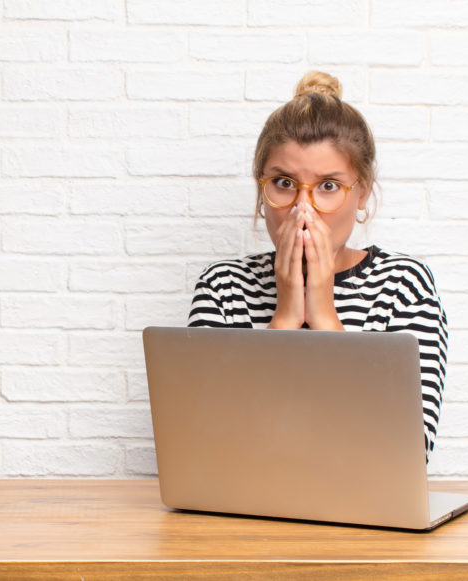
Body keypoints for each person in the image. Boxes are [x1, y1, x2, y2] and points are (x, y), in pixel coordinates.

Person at [188, 71, 447, 459]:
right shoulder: (223, 288)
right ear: (262, 191)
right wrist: (286, 316)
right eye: (284, 183)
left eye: (328, 186)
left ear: (362, 192)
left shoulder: (403, 287)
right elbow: (208, 446)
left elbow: (408, 452)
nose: (303, 209)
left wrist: (324, 313)